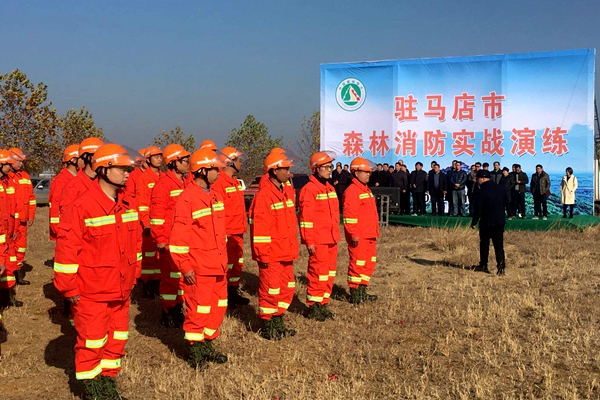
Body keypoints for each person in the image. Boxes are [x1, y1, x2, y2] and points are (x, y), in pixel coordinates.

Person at [53, 144, 140, 399]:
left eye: (128, 169)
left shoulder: (128, 204)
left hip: (122, 288)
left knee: (117, 337)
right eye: (122, 169)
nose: (127, 174)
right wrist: (69, 288)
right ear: (103, 169)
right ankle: (91, 387)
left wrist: (133, 277)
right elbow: (67, 252)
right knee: (92, 340)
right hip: (92, 290)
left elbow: (134, 247)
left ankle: (108, 380)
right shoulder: (81, 205)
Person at [169, 148, 229, 368]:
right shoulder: (187, 198)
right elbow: (178, 238)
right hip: (199, 267)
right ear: (203, 170)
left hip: (218, 265)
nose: (219, 173)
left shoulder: (215, 195)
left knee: (217, 307)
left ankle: (207, 345)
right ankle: (196, 351)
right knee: (199, 309)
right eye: (215, 169)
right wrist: (185, 267)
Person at [250, 152, 298, 340]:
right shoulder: (264, 196)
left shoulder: (283, 193)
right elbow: (261, 230)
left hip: (285, 252)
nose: (288, 172)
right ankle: (267, 326)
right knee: (270, 290)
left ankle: (278, 322)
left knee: (286, 289)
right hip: (271, 255)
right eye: (285, 169)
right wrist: (263, 256)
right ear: (274, 170)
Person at [150, 144, 191, 327]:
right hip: (168, 240)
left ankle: (177, 306)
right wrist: (160, 239)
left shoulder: (186, 181)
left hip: (183, 239)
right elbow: (157, 215)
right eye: (184, 160)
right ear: (174, 163)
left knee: (181, 278)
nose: (188, 163)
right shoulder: (163, 184)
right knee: (170, 279)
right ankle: (168, 310)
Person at [298, 151, 340, 322]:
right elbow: (305, 219)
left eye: (330, 166)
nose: (330, 170)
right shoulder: (310, 190)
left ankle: (323, 303)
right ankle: (314, 307)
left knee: (329, 274)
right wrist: (309, 241)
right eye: (327, 167)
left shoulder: (329, 188)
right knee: (318, 273)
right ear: (316, 169)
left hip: (331, 238)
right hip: (318, 240)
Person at [211, 146, 250, 306]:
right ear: (230, 162)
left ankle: (233, 291)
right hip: (227, 233)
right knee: (225, 265)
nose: (242, 163)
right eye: (239, 160)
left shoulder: (234, 182)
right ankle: (223, 295)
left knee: (236, 264)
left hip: (237, 232)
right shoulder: (219, 182)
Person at [343, 157, 379, 304]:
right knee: (357, 264)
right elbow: (349, 215)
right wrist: (353, 234)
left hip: (370, 234)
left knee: (368, 263)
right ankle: (355, 294)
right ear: (356, 173)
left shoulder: (365, 189)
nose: (369, 175)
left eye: (369, 172)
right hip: (360, 236)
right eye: (365, 172)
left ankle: (363, 291)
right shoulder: (352, 191)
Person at [135, 146, 164, 297]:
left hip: (162, 225)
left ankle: (157, 285)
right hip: (149, 225)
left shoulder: (163, 177)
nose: (160, 159)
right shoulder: (143, 179)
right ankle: (146, 286)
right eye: (156, 156)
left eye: (160, 156)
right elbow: (142, 205)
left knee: (159, 257)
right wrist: (146, 224)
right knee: (148, 257)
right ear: (148, 159)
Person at [471, 169, 508, 275]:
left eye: (477, 178)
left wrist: (474, 221)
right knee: (499, 246)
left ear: (482, 178)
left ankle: (483, 265)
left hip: (486, 221)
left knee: (484, 244)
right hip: (499, 221)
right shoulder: (500, 188)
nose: (477, 181)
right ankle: (501, 268)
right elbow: (506, 201)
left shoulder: (481, 190)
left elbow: (478, 208)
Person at [8, 148, 35, 285]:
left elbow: (31, 198)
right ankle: (9, 274)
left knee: (21, 247)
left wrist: (31, 216)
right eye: (19, 161)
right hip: (9, 222)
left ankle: (18, 274)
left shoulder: (25, 176)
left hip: (23, 221)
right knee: (9, 248)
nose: (21, 164)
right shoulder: (5, 178)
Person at [0, 150, 20, 308]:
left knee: (9, 265)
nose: (10, 167)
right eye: (7, 164)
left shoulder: (6, 182)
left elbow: (10, 209)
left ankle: (8, 297)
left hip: (7, 232)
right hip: (2, 233)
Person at [48, 144, 79, 241]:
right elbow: (55, 204)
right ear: (74, 160)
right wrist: (57, 229)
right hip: (65, 229)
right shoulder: (61, 180)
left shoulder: (77, 178)